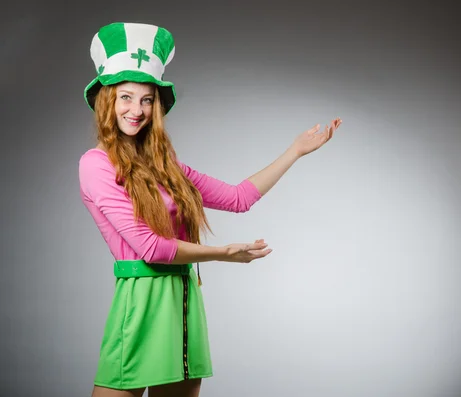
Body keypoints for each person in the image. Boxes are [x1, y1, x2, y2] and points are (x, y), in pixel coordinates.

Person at [78, 22, 342, 397]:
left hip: (185, 297)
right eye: (125, 97)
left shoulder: (168, 166)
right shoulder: (96, 164)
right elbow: (151, 248)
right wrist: (224, 253)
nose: (136, 109)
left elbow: (238, 198)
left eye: (146, 99)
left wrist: (295, 151)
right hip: (140, 302)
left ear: (157, 106)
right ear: (108, 100)